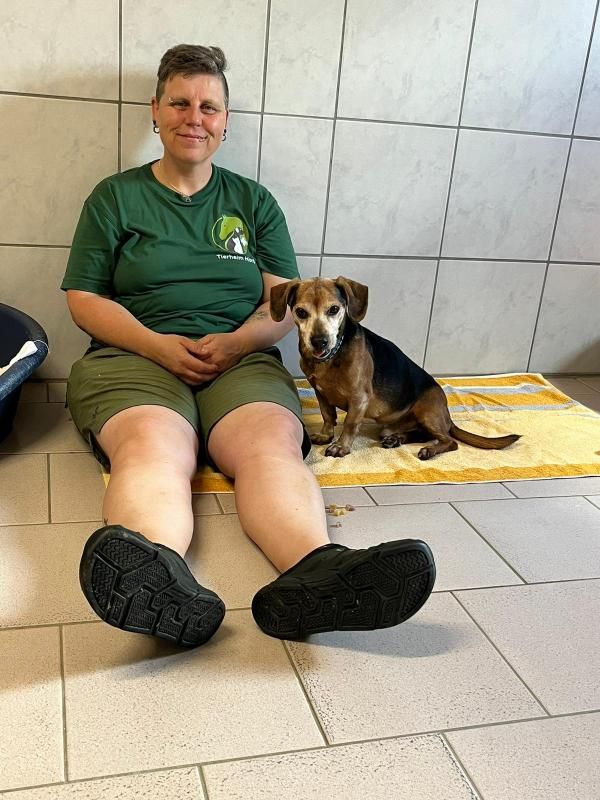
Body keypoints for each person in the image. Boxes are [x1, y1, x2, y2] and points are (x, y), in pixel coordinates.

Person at [62, 44, 435, 648]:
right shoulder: (114, 198)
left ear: (225, 120)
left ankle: (316, 574)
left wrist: (237, 345)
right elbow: (84, 298)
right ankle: (154, 577)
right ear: (154, 110)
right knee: (155, 446)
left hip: (241, 359)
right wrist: (156, 346)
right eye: (179, 103)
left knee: (270, 447)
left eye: (208, 106)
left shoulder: (254, 202)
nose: (194, 117)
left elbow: (281, 302)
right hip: (132, 355)